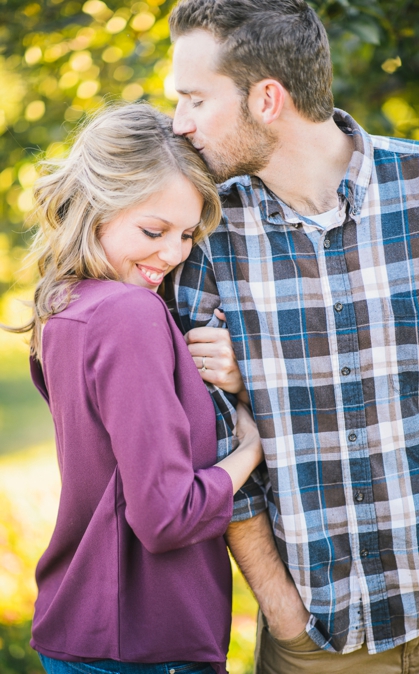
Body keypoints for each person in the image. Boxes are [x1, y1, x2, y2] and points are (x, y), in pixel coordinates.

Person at [165, 1, 419, 671]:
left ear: (267, 98)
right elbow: (206, 435)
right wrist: (285, 615)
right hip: (320, 641)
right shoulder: (199, 232)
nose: (179, 123)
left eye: (195, 99)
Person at [9, 104, 264, 674]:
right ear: (96, 206)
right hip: (147, 641)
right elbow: (167, 516)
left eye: (187, 235)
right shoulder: (131, 313)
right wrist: (250, 448)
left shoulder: (63, 306)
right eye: (153, 231)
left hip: (86, 631)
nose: (173, 255)